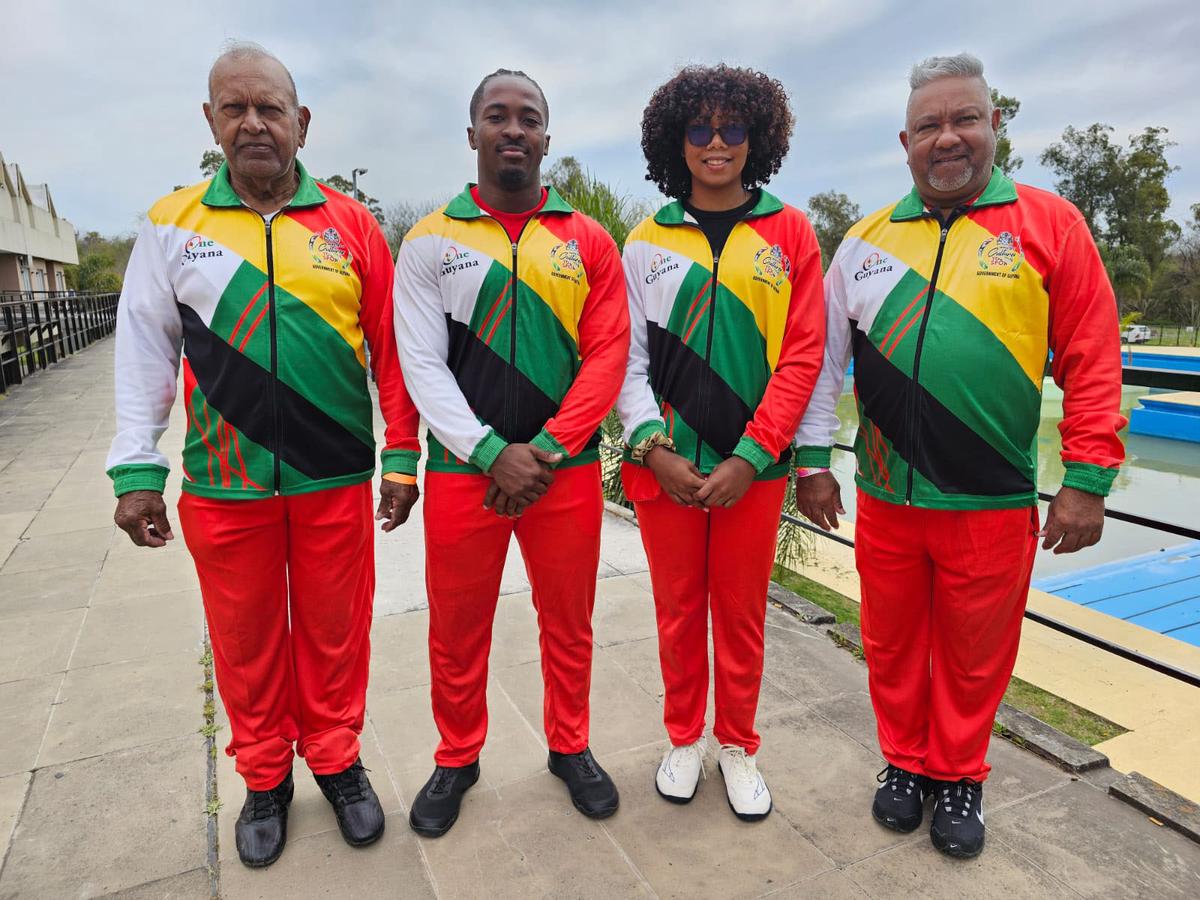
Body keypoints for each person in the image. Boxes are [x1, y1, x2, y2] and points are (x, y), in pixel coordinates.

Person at [793, 53, 1126, 858]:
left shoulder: (1051, 226)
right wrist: (810, 461)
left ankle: (961, 774)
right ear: (905, 141)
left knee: (978, 654)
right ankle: (904, 765)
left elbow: (1093, 354)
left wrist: (1086, 479)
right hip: (887, 496)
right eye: (931, 125)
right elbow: (823, 359)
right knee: (893, 642)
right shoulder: (865, 241)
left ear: (993, 127)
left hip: (991, 501)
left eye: (964, 119)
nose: (949, 138)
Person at [106, 41, 421, 868]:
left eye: (269, 108)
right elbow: (142, 349)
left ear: (301, 124)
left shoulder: (352, 226)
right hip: (225, 484)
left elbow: (392, 351)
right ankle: (264, 777)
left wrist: (401, 458)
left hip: (335, 481)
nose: (253, 123)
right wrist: (136, 468)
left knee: (334, 632)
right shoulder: (174, 223)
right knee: (244, 640)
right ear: (210, 122)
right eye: (234, 108)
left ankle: (339, 762)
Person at [394, 68, 630, 837]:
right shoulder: (430, 239)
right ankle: (457, 756)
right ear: (473, 135)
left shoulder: (588, 239)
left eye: (529, 117)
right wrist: (491, 450)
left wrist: (550, 450)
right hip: (467, 476)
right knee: (457, 626)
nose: (514, 129)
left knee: (570, 621)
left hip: (563, 478)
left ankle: (570, 746)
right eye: (497, 116)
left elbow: (608, 355)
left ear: (547, 139)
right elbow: (420, 364)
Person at [616, 65, 825, 821]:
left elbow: (803, 354)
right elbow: (624, 360)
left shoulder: (790, 232)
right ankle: (684, 738)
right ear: (677, 140)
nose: (715, 143)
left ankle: (736, 746)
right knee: (677, 611)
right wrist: (650, 446)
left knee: (740, 615)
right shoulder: (644, 241)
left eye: (732, 129)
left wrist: (753, 454)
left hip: (753, 473)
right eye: (700, 129)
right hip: (666, 470)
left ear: (756, 139)